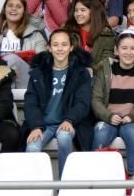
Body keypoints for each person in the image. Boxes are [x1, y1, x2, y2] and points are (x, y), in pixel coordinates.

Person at [24, 29, 94, 176]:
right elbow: (31, 102)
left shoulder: (80, 73)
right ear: (49, 48)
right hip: (43, 124)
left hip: (68, 122)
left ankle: (64, 182)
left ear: (71, 47)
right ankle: (36, 188)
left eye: (64, 44)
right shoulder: (38, 73)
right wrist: (36, 126)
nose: (60, 48)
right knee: (32, 148)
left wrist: (70, 120)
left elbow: (82, 102)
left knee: (64, 137)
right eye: (55, 45)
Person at [91, 32, 134, 177]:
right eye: (124, 48)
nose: (128, 52)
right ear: (116, 51)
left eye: (133, 48)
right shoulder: (106, 70)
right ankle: (98, 176)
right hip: (109, 119)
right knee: (101, 132)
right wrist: (108, 116)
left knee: (131, 133)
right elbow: (96, 100)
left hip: (131, 120)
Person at [0, 0, 47, 89]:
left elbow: (43, 62)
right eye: (10, 5)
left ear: (24, 12)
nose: (14, 9)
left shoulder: (35, 35)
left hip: (27, 78)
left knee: (12, 59)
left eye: (18, 7)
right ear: (4, 9)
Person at [63, 0, 116, 71]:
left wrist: (91, 71)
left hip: (95, 77)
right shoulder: (66, 30)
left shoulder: (106, 34)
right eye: (76, 10)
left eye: (83, 10)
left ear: (93, 12)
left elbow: (107, 60)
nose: (78, 14)